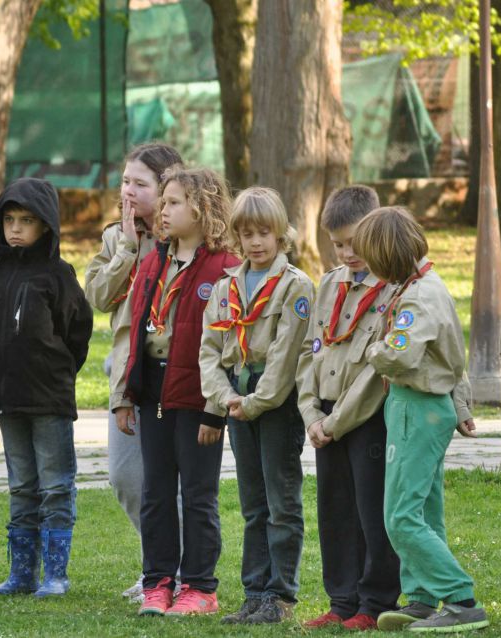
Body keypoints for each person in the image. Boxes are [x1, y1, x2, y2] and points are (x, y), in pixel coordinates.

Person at [351, 206, 489, 633]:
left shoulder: (416, 297)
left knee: (400, 514)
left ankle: (461, 597)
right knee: (426, 511)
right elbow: (452, 356)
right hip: (424, 405)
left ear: (383, 255)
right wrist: (461, 408)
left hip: (417, 407)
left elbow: (400, 354)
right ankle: (424, 597)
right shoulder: (423, 286)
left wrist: (372, 349)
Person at [120, 167, 240, 616]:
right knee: (155, 492)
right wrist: (127, 393)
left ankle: (200, 586)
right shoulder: (154, 261)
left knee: (197, 492)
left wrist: (216, 407)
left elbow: (226, 345)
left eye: (173, 203)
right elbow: (136, 330)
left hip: (198, 394)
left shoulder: (224, 266)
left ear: (202, 207)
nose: (163, 211)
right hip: (154, 391)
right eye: (164, 202)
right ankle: (158, 581)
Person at [199, 186, 314, 625]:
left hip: (275, 405)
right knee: (252, 503)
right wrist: (224, 396)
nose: (255, 242)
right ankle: (253, 592)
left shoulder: (295, 286)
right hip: (237, 401)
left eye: (264, 232)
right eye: (246, 233)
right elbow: (209, 348)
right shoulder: (227, 284)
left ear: (281, 233)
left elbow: (287, 355)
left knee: (281, 500)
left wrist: (256, 402)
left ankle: (279, 595)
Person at [0, 178, 93, 598]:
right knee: (22, 484)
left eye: (27, 220)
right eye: (8, 219)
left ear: (46, 226)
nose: (16, 229)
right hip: (7, 398)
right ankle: (22, 574)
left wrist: (57, 372)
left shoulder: (58, 274)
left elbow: (77, 331)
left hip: (49, 398)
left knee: (56, 484)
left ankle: (55, 576)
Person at [296, 186, 401, 632]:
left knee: (371, 511)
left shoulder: (394, 288)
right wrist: (310, 414)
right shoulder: (330, 284)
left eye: (355, 242)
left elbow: (377, 370)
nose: (347, 252)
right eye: (338, 244)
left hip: (365, 416)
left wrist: (336, 421)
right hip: (326, 414)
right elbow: (309, 352)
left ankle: (374, 602)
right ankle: (341, 601)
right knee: (335, 509)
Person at [84, 142, 182, 601]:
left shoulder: (183, 236)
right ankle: (157, 566)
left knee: (167, 476)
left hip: (172, 370)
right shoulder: (114, 237)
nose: (128, 191)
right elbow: (98, 296)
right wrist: (125, 247)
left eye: (140, 184)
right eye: (125, 181)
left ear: (166, 189)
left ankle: (169, 572)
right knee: (125, 477)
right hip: (126, 372)